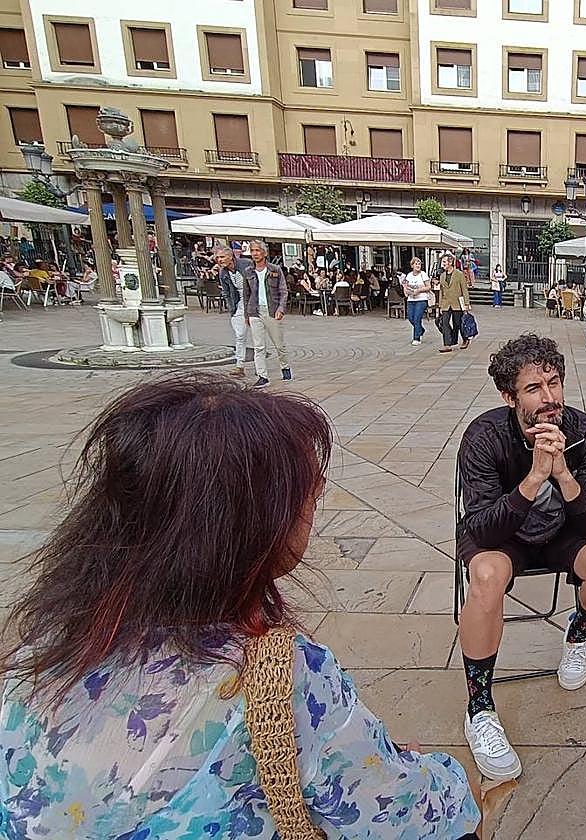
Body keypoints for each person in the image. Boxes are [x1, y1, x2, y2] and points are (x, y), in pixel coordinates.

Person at [0, 375, 482, 839]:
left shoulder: (38, 652)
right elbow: (406, 813)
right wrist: (438, 774)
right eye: (309, 494)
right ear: (254, 524)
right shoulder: (277, 675)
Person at [456, 335, 586, 781]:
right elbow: (482, 528)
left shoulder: (585, 433)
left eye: (554, 383)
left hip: (561, 535)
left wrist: (564, 473)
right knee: (487, 575)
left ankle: (578, 633)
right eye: (534, 388)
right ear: (509, 396)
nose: (549, 398)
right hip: (504, 536)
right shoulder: (484, 437)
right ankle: (479, 708)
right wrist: (533, 477)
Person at [242, 241, 292, 387]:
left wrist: (281, 308)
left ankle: (285, 366)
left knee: (279, 344)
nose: (255, 253)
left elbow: (283, 291)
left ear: (264, 253)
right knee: (259, 346)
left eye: (258, 250)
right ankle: (262, 376)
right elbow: (246, 294)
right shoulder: (248, 272)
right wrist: (247, 314)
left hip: (271, 310)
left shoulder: (274, 270)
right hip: (254, 311)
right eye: (252, 251)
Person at [214, 245, 255, 377]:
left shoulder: (246, 264)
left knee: (258, 336)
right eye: (217, 257)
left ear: (230, 256)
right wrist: (231, 307)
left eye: (222, 257)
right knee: (240, 336)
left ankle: (261, 367)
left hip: (253, 302)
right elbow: (226, 292)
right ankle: (239, 366)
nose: (219, 260)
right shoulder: (223, 273)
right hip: (238, 304)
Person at [438, 253, 471, 353]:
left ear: (450, 262)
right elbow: (441, 291)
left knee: (458, 324)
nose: (442, 264)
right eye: (442, 262)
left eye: (444, 262)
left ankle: (465, 339)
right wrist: (440, 305)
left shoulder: (459, 274)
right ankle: (447, 344)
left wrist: (466, 304)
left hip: (457, 303)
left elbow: (464, 290)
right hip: (445, 304)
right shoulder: (442, 275)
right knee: (445, 322)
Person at [403, 256, 432, 346]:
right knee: (411, 318)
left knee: (417, 318)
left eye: (419, 264)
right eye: (416, 264)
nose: (418, 265)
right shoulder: (409, 275)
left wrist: (419, 290)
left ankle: (416, 338)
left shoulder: (423, 274)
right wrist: (406, 292)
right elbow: (405, 285)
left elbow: (429, 286)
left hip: (421, 299)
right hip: (411, 299)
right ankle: (421, 330)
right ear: (412, 265)